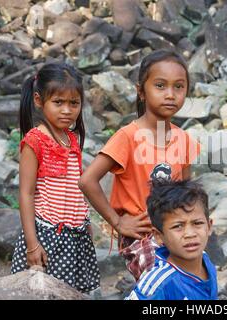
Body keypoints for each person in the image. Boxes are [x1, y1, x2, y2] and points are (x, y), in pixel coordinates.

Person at [79, 49, 200, 281]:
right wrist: (117, 222)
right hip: (141, 233)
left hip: (174, 229)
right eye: (160, 86)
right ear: (141, 92)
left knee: (194, 278)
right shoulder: (128, 136)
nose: (170, 94)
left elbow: (188, 192)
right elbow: (87, 180)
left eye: (179, 87)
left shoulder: (183, 140)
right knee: (160, 280)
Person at [11, 62, 100, 293]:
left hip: (74, 236)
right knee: (40, 293)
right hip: (47, 236)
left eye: (74, 103)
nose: (67, 110)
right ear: (39, 101)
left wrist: (85, 222)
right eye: (58, 102)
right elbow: (26, 192)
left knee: (67, 293)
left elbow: (74, 186)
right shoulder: (35, 140)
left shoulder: (71, 139)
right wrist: (32, 244)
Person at [126, 179, 217, 300]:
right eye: (177, 226)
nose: (189, 234)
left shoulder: (205, 260)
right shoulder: (158, 284)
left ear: (209, 226)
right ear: (158, 235)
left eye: (197, 223)